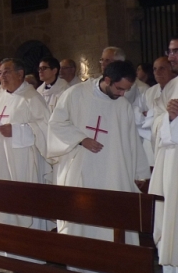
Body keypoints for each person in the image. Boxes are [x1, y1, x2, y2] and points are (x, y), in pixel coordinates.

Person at [48, 61, 149, 251]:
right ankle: (82, 267)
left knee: (112, 220)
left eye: (126, 90)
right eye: (119, 89)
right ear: (107, 79)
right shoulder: (75, 94)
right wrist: (81, 139)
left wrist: (139, 172)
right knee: (82, 220)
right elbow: (56, 124)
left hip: (114, 173)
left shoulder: (123, 105)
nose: (122, 94)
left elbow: (132, 140)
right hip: (82, 171)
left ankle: (114, 269)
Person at [0, 58, 51, 251]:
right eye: (0, 73)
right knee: (0, 204)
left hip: (21, 164)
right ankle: (2, 250)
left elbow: (45, 130)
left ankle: (27, 254)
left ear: (20, 74)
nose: (2, 76)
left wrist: (17, 131)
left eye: (6, 72)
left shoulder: (32, 98)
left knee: (21, 204)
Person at [149, 38, 178, 273]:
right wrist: (168, 118)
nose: (171, 57)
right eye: (169, 51)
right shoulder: (172, 87)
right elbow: (156, 125)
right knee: (173, 223)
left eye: (176, 52)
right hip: (173, 166)